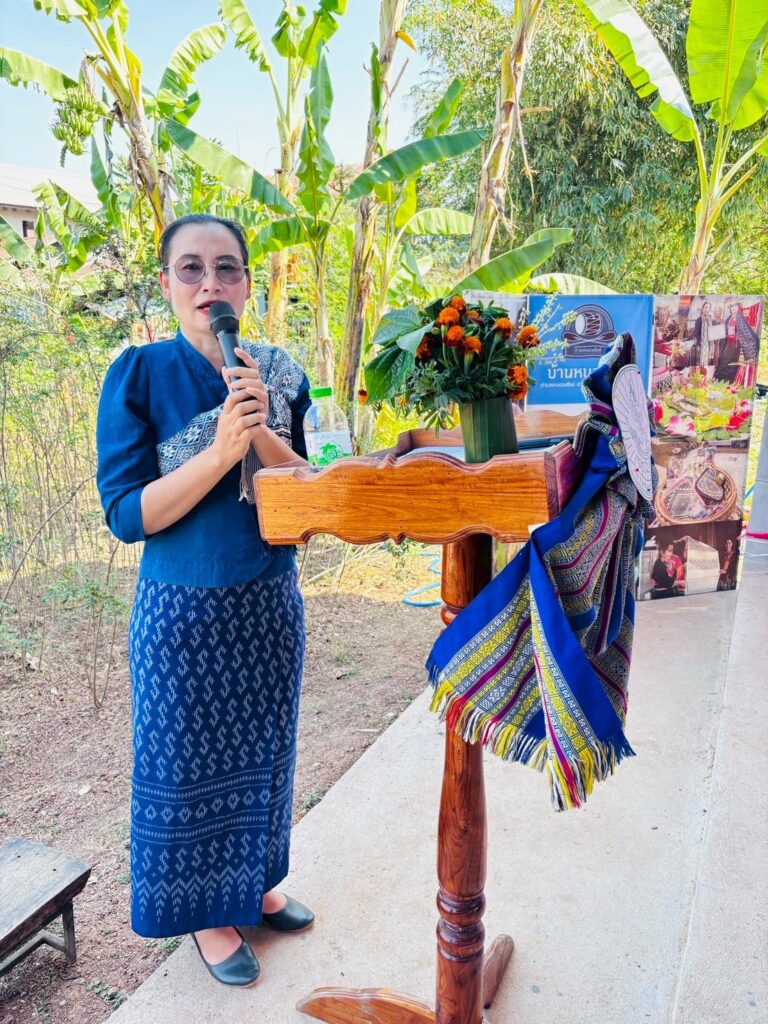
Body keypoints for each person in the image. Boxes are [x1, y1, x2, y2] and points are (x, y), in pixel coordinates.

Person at [96, 213, 313, 988]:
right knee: (187, 769)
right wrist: (220, 450)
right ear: (167, 284)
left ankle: (255, 885)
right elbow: (127, 514)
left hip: (268, 606)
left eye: (226, 269)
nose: (209, 284)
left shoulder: (278, 373)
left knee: (264, 759)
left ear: (247, 285)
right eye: (191, 268)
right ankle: (206, 915)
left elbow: (304, 492)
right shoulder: (138, 374)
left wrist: (257, 428)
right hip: (182, 617)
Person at [715, 302, 760, 384]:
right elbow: (724, 331)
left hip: (735, 345)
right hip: (727, 343)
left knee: (731, 362)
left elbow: (746, 332)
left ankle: (728, 381)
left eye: (735, 306)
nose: (733, 308)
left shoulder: (741, 319)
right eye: (732, 306)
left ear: (738, 307)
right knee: (723, 360)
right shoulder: (728, 318)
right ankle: (719, 380)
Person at [690, 299, 713, 368]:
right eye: (705, 307)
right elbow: (696, 334)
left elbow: (712, 331)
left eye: (708, 308)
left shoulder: (710, 320)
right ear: (702, 309)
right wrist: (702, 342)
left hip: (708, 344)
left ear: (710, 309)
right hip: (701, 345)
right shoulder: (699, 320)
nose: (706, 309)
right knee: (699, 362)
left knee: (707, 362)